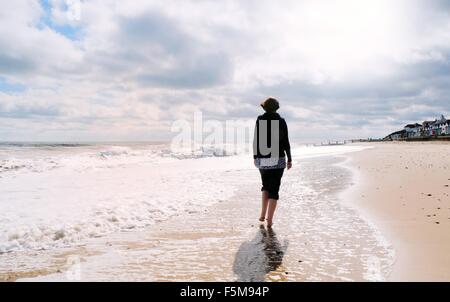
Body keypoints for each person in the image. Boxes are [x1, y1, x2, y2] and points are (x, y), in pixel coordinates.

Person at [253, 97, 292, 228]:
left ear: (264, 107)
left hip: (263, 159)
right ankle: (269, 220)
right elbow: (286, 141)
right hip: (278, 158)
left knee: (265, 186)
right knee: (274, 189)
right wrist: (290, 158)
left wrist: (255, 156)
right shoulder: (281, 121)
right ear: (277, 107)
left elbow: (256, 139)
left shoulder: (260, 119)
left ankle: (262, 215)